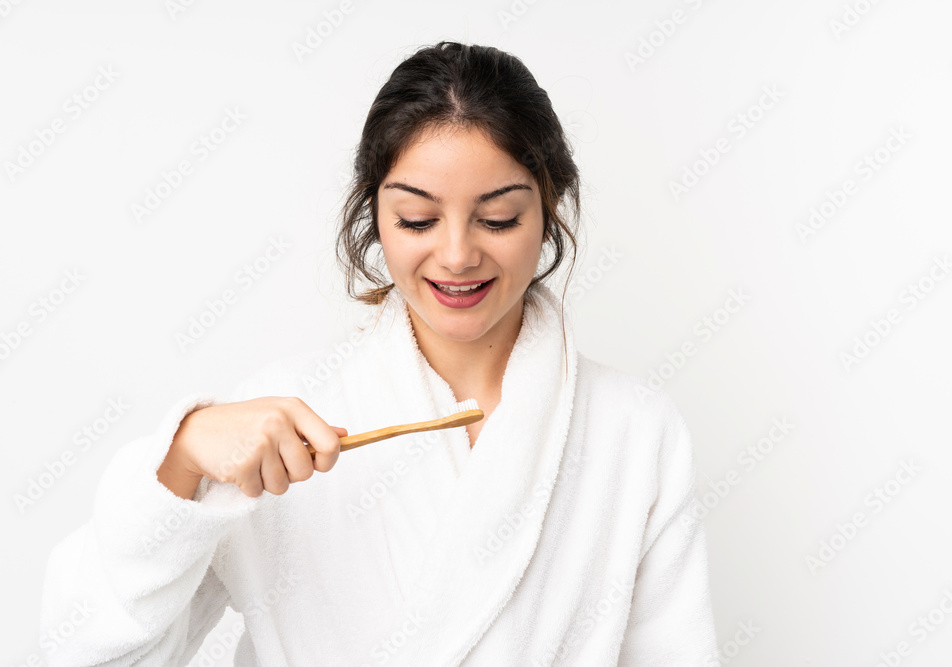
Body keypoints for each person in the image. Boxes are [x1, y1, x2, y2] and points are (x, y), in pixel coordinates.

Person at [41, 41, 719, 666]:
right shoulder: (279, 420)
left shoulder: (633, 432)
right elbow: (88, 652)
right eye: (418, 218)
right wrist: (182, 459)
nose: (456, 254)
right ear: (374, 216)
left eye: (499, 217)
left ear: (548, 211)